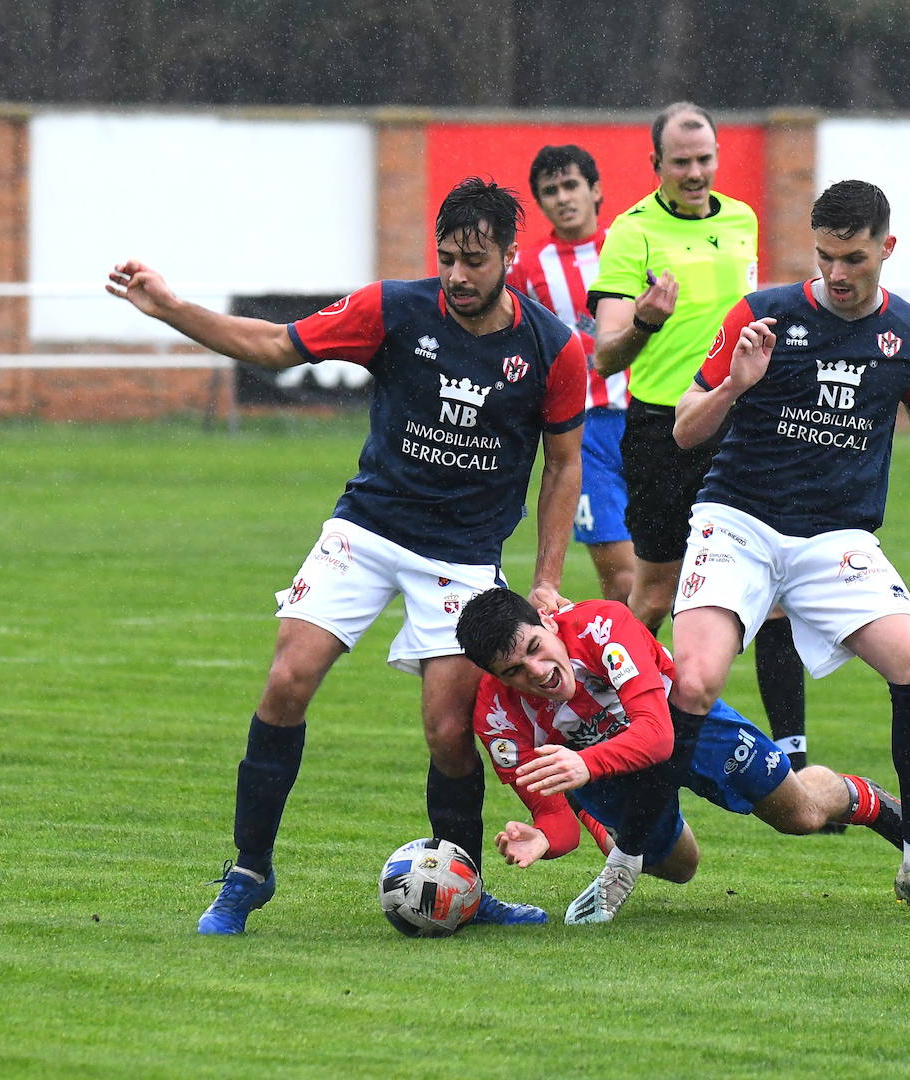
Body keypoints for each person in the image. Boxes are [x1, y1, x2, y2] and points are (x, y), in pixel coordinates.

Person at [105, 178, 588, 933]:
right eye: (448, 258)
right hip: (366, 529)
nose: (459, 275)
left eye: (476, 260)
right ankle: (248, 872)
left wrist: (548, 577)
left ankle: (464, 889)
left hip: (460, 558)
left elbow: (564, 465)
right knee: (287, 681)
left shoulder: (552, 348)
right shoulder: (392, 308)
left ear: (509, 256)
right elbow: (274, 345)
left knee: (450, 730)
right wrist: (171, 308)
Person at [657, 179, 910, 923]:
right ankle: (631, 852)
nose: (838, 274)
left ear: (887, 248)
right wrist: (734, 387)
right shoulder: (761, 316)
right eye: (824, 257)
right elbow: (684, 429)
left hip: (838, 538)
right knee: (695, 681)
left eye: (854, 258)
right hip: (739, 521)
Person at [454, 588, 910, 918]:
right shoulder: (497, 719)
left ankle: (866, 798)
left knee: (801, 815)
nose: (537, 672)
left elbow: (658, 736)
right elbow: (554, 816)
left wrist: (584, 762)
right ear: (494, 676)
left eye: (536, 648)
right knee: (680, 867)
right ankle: (622, 833)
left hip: (684, 723)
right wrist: (543, 838)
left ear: (546, 620)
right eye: (515, 670)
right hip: (607, 772)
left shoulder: (602, 625)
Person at [586, 101, 811, 771]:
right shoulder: (631, 234)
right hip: (661, 432)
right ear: (655, 164)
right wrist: (646, 323)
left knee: (771, 590)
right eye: (680, 161)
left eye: (704, 158)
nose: (694, 172)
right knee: (655, 590)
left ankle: (795, 755)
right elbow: (605, 357)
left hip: (739, 427)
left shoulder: (741, 220)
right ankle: (604, 715)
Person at [507, 145, 634, 604]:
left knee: (664, 574)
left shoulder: (630, 248)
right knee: (623, 577)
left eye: (571, 185)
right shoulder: (526, 268)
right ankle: (631, 669)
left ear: (595, 190)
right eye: (550, 191)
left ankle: (638, 669)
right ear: (540, 203)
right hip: (584, 432)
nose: (562, 198)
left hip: (647, 421)